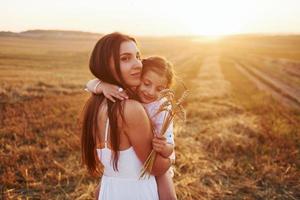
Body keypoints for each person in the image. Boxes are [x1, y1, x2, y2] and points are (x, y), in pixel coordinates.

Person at [81, 32, 172, 200]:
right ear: (105, 64)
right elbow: (155, 168)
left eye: (137, 56)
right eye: (125, 58)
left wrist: (100, 84)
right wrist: (171, 157)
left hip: (110, 190)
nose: (137, 64)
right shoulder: (131, 109)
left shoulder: (94, 104)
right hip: (136, 193)